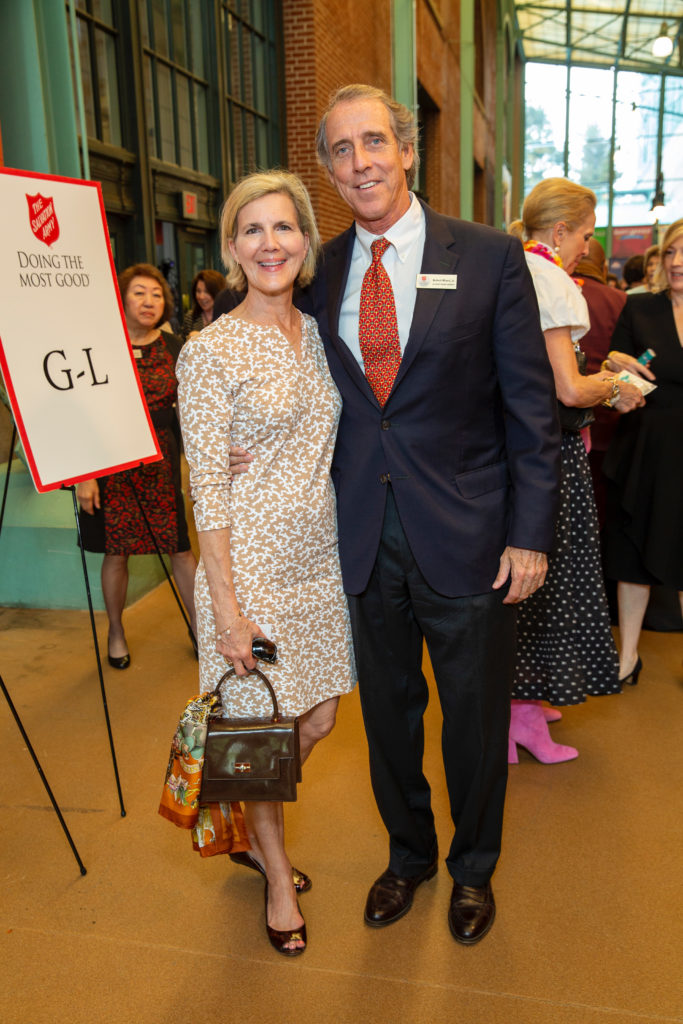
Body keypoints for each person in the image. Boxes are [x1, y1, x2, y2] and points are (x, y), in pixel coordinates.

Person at [224, 84, 562, 945]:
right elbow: (291, 380)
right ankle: (407, 855)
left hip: (470, 538)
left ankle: (472, 870)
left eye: (373, 141)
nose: (359, 162)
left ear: (406, 151)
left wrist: (529, 535)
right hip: (360, 541)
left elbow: (531, 412)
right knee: (388, 721)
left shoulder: (487, 257)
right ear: (328, 168)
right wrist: (238, 440)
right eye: (340, 149)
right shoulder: (318, 269)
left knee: (475, 723)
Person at [176, 170, 356, 958]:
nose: (269, 243)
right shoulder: (209, 351)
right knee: (259, 735)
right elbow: (205, 486)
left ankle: (248, 814)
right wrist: (225, 608)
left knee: (317, 718)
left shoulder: (321, 332)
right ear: (230, 247)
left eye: (283, 228)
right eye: (251, 230)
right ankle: (276, 877)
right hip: (247, 567)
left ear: (306, 242)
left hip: (319, 562)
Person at [507, 180, 644, 764]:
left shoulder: (513, 266)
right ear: (559, 231)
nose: (588, 247)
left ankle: (521, 706)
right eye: (586, 235)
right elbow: (567, 388)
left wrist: (602, 364)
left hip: (514, 450)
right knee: (551, 587)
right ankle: (524, 714)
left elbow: (540, 366)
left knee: (523, 586)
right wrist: (617, 387)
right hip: (551, 457)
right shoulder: (553, 279)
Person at [77, 264, 197, 669]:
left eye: (156, 294)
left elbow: (197, 408)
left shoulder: (177, 348)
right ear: (123, 299)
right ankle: (115, 630)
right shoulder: (99, 352)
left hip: (161, 467)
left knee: (181, 550)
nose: (149, 301)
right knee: (116, 553)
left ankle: (201, 628)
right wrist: (87, 475)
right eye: (139, 293)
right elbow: (85, 413)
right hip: (113, 464)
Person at [602, 218, 683, 685]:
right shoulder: (640, 310)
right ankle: (627, 656)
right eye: (669, 253)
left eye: (682, 255)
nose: (674, 263)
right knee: (634, 548)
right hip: (646, 448)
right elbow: (615, 373)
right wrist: (616, 367)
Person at [571, 237, 626, 525]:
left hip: (557, 426)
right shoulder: (617, 300)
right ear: (603, 266)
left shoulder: (548, 290)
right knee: (599, 508)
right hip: (605, 421)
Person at [180, 269, 226, 341]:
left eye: (206, 291)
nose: (201, 297)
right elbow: (181, 348)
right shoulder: (191, 318)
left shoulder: (227, 318)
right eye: (198, 291)